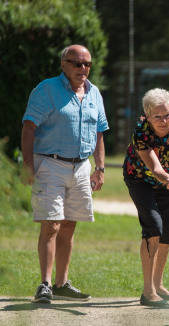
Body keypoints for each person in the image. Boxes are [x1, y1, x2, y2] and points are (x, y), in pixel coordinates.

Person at [21, 45, 109, 303]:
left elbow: (99, 132)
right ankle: (45, 284)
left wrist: (100, 168)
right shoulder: (46, 89)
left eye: (87, 64)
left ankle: (61, 283)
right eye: (77, 63)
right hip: (50, 164)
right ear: (64, 65)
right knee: (51, 225)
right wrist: (28, 164)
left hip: (81, 166)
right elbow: (28, 127)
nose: (83, 69)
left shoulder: (94, 93)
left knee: (69, 224)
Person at [123, 88, 169, 307]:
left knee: (168, 233)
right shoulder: (141, 131)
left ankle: (159, 284)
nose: (164, 121)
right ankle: (148, 292)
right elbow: (154, 167)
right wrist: (168, 179)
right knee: (153, 227)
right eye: (158, 117)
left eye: (167, 115)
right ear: (147, 116)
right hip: (141, 179)